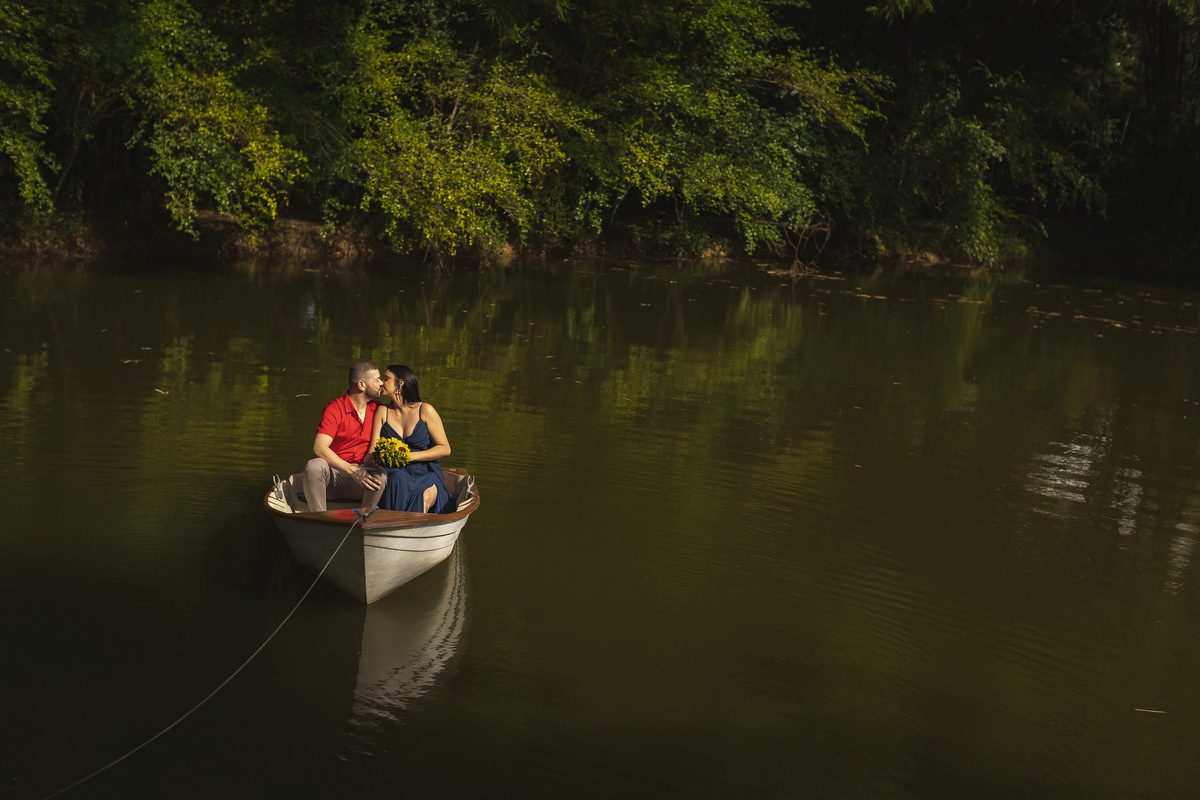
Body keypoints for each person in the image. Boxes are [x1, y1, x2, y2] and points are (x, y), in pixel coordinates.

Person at [302, 361, 388, 512]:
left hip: (362, 477)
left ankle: (364, 520)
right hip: (334, 474)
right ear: (361, 385)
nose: (381, 383)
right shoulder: (335, 409)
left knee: (380, 475)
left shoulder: (379, 410)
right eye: (377, 380)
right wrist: (352, 471)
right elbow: (319, 447)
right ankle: (319, 519)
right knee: (314, 466)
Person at [367, 364, 454, 514]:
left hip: (425, 472)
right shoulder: (382, 412)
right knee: (397, 478)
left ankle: (415, 532)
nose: (381, 383)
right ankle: (392, 526)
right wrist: (371, 458)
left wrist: (411, 456)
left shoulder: (425, 410)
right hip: (394, 471)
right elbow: (373, 450)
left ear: (400, 384)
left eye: (386, 379)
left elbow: (445, 448)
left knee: (424, 497)